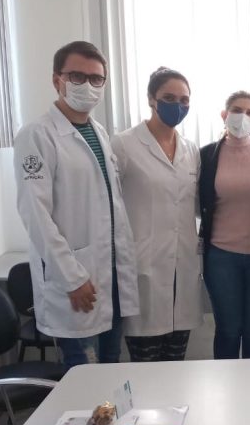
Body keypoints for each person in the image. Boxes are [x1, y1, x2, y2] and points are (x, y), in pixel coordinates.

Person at [14, 40, 139, 367]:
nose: (88, 85)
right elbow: (35, 214)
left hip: (109, 278)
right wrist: (71, 277)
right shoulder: (37, 135)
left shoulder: (99, 132)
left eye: (96, 78)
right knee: (84, 375)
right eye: (77, 77)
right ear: (57, 80)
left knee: (111, 371)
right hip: (76, 281)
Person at [111, 67, 203, 362]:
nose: (178, 105)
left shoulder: (191, 150)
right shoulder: (123, 145)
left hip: (182, 266)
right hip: (143, 266)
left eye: (184, 100)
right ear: (151, 99)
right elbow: (109, 206)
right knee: (145, 364)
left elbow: (195, 205)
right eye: (169, 98)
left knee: (175, 361)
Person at [199, 91, 250, 359]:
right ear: (224, 115)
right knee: (228, 330)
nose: (243, 117)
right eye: (237, 110)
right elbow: (198, 202)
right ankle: (226, 385)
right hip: (220, 257)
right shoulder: (206, 155)